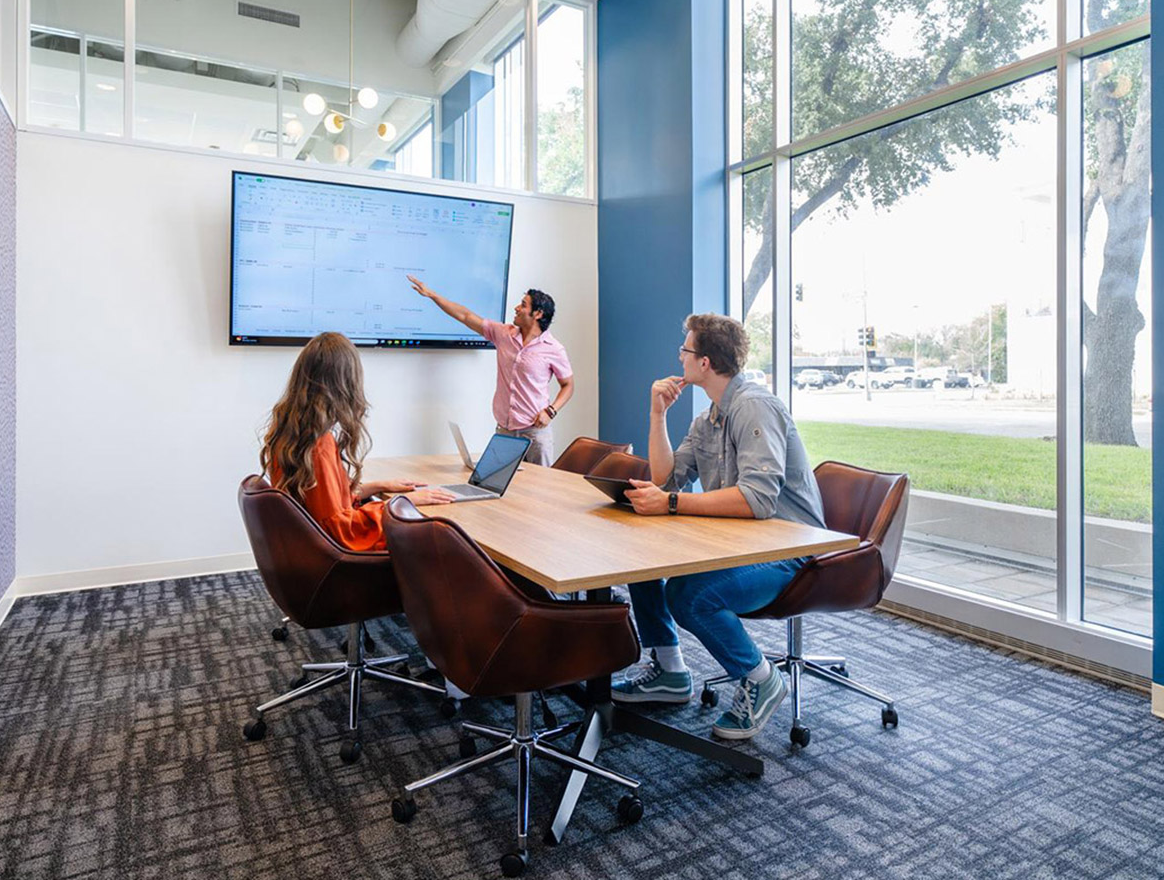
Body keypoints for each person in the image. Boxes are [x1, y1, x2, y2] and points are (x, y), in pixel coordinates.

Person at [613, 314, 826, 741]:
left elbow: (758, 499)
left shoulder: (754, 406)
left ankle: (760, 677)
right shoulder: (708, 417)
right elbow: (664, 479)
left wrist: (670, 504)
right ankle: (671, 671)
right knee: (640, 557)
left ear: (705, 362)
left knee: (690, 594)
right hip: (740, 543)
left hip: (786, 550)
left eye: (685, 350)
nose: (680, 357)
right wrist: (657, 416)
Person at [260, 331, 455, 551]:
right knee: (440, 540)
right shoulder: (319, 445)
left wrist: (378, 486)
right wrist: (401, 503)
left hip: (311, 552)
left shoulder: (289, 431)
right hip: (343, 561)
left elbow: (321, 503)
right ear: (344, 384)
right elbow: (341, 527)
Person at [407, 275, 574, 466]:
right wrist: (432, 295)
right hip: (505, 431)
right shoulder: (503, 334)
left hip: (536, 433)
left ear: (538, 314)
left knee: (540, 490)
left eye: (523, 305)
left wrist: (551, 411)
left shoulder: (553, 348)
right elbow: (465, 316)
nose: (516, 308)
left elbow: (568, 385)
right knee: (495, 484)